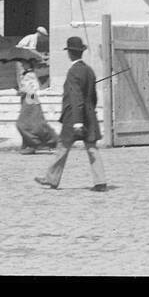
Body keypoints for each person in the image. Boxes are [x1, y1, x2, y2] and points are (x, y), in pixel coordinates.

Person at [35, 37, 107, 191]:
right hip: (88, 116)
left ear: (70, 54)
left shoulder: (73, 72)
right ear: (81, 52)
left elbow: (75, 97)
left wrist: (77, 122)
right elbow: (93, 97)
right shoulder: (89, 70)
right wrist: (88, 113)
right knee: (92, 148)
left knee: (62, 147)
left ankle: (51, 179)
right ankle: (100, 182)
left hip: (73, 118)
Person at [15, 57, 58, 153]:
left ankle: (38, 143)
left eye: (24, 63)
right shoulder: (26, 74)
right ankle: (30, 145)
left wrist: (21, 90)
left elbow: (34, 88)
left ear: (29, 64)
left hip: (30, 98)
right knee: (31, 122)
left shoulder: (30, 74)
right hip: (27, 98)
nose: (22, 65)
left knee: (23, 123)